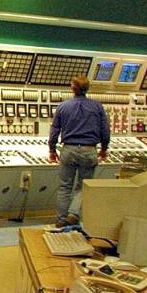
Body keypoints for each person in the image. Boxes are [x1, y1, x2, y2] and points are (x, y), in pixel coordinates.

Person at [48, 75, 110, 226]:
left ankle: (62, 219)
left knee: (64, 186)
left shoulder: (63, 107)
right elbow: (105, 130)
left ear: (72, 88)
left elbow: (55, 129)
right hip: (89, 150)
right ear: (87, 88)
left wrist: (52, 149)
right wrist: (104, 149)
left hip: (68, 149)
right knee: (83, 186)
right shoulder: (97, 107)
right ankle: (73, 214)